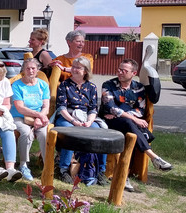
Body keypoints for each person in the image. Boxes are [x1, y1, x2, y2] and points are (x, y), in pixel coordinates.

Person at [100, 59, 172, 183]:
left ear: (133, 73)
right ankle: (153, 157)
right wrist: (132, 117)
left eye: (124, 70)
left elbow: (140, 110)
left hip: (123, 121)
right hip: (108, 122)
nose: (120, 72)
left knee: (131, 131)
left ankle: (125, 175)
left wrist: (121, 114)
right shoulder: (108, 85)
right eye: (119, 69)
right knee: (130, 124)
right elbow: (110, 107)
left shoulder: (139, 88)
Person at [53, 56, 105, 185]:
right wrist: (73, 121)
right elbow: (62, 108)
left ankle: (100, 170)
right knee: (70, 133)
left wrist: (88, 122)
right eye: (73, 67)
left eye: (78, 67)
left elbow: (93, 109)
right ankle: (63, 169)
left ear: (86, 71)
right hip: (67, 117)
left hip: (86, 117)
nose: (74, 70)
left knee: (100, 133)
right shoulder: (64, 85)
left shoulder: (91, 87)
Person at [10, 58, 51, 181]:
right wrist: (39, 116)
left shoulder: (43, 85)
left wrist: (40, 117)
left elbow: (46, 107)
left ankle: (47, 165)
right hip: (19, 116)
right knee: (26, 132)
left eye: (33, 68)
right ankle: (23, 164)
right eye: (27, 68)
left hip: (39, 117)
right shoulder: (17, 85)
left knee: (44, 133)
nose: (30, 71)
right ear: (23, 70)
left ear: (38, 70)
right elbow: (20, 107)